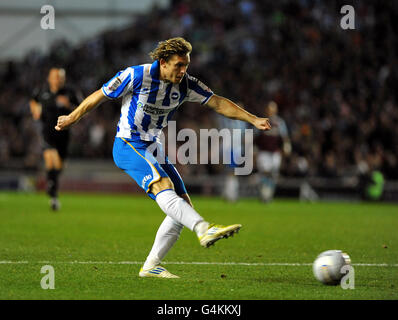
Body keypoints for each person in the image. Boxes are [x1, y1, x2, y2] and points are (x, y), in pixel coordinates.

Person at [55, 37, 271, 278]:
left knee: (182, 204)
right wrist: (72, 117)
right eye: (178, 65)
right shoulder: (136, 75)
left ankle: (151, 265)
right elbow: (100, 95)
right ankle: (203, 229)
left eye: (186, 65)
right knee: (163, 185)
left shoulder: (186, 84)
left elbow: (218, 103)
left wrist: (253, 119)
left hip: (153, 146)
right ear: (163, 62)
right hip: (128, 143)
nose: (183, 71)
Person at [30, 68, 80, 211]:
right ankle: (52, 191)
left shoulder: (70, 92)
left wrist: (68, 106)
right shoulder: (42, 91)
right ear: (49, 78)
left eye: (60, 77)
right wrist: (35, 110)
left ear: (63, 79)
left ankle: (52, 186)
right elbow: (33, 101)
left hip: (64, 134)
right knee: (50, 156)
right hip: (47, 132)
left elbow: (82, 107)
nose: (57, 79)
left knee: (59, 166)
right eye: (55, 77)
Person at [254, 101, 291, 202]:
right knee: (265, 172)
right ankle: (263, 193)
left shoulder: (280, 123)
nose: (271, 112)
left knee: (273, 174)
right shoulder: (261, 121)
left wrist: (287, 147)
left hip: (275, 152)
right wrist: (254, 149)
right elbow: (255, 137)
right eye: (269, 109)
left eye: (272, 109)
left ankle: (268, 194)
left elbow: (284, 137)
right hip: (263, 152)